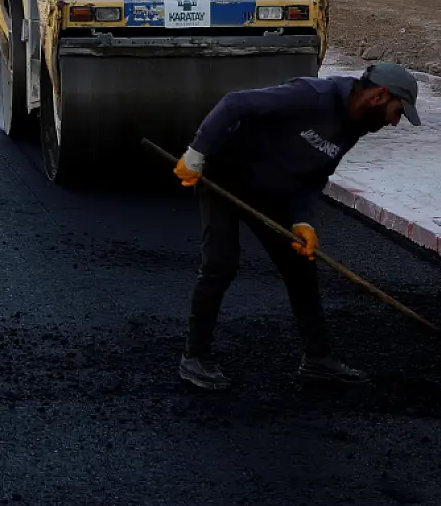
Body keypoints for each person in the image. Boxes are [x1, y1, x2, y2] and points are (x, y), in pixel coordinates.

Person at [173, 63, 423, 392]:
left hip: (272, 193)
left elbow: (315, 174)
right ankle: (195, 356)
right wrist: (197, 151)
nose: (394, 122)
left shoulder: (356, 124)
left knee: (301, 268)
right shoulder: (312, 95)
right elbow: (235, 103)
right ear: (380, 95)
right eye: (397, 112)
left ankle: (318, 360)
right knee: (221, 263)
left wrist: (303, 219)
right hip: (225, 177)